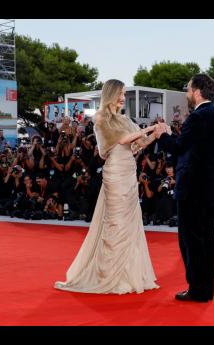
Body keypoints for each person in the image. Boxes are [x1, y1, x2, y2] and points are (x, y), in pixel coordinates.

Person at [55, 79, 159, 294]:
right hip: (115, 174)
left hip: (130, 173)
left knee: (130, 223)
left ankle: (128, 275)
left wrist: (155, 135)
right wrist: (148, 128)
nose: (123, 98)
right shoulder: (101, 117)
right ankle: (108, 275)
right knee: (116, 223)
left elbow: (136, 145)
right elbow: (120, 142)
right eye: (120, 93)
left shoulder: (125, 119)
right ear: (111, 94)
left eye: (124, 93)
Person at [156, 73, 214, 303]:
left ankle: (197, 289)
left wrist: (163, 134)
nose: (187, 94)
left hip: (192, 189)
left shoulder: (198, 117)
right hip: (207, 188)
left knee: (191, 240)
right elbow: (192, 148)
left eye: (188, 90)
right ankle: (205, 289)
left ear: (197, 91)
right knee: (206, 239)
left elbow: (178, 147)